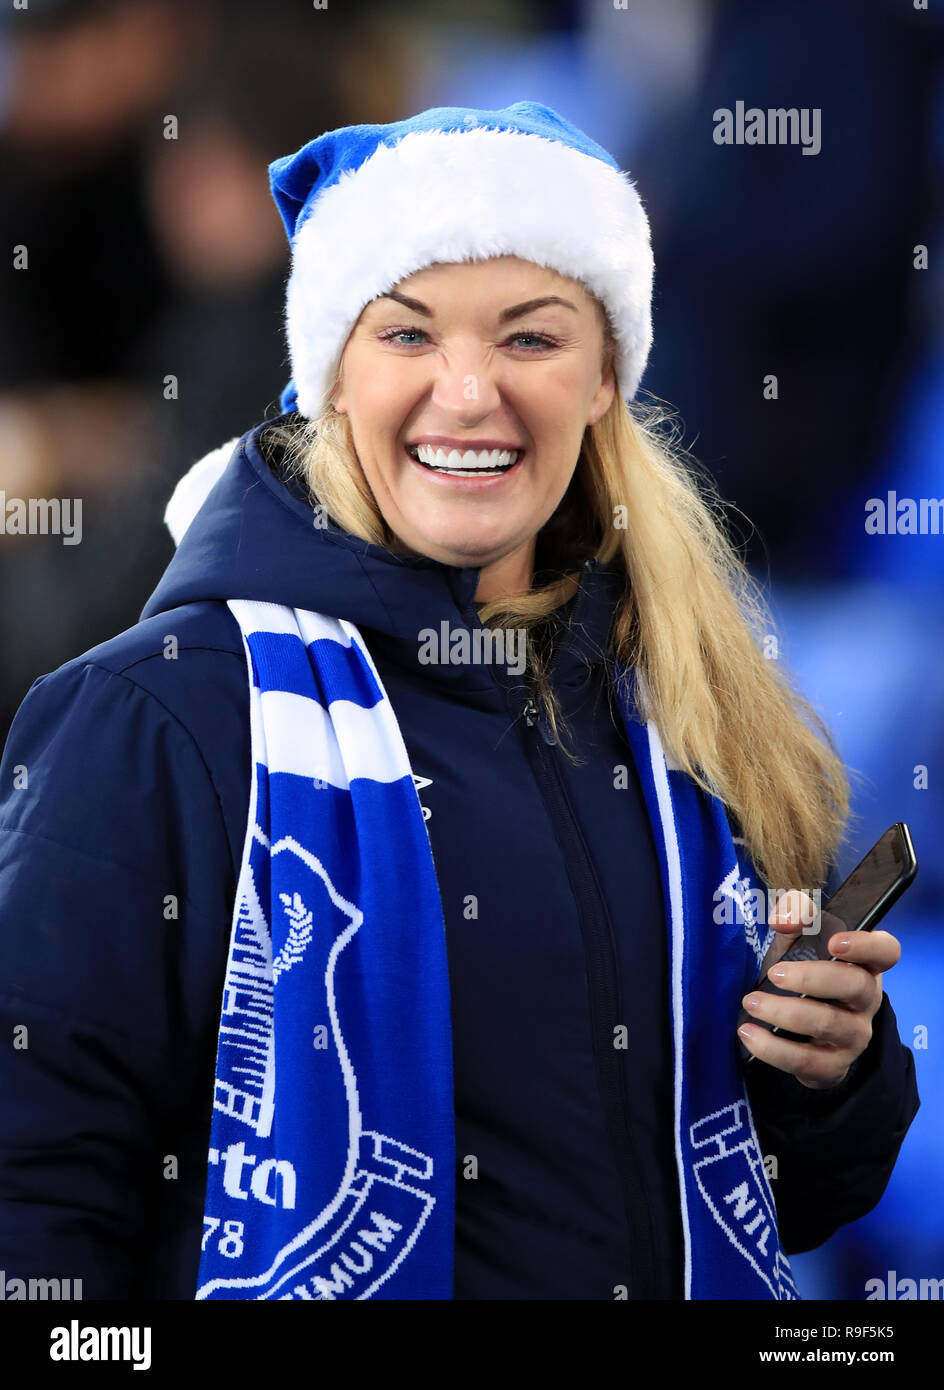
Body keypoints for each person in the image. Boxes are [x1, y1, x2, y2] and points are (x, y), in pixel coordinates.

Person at [0, 101, 919, 1302]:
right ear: (332, 375)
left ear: (602, 380)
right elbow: (33, 1199)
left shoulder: (692, 708)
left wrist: (832, 1077)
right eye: (409, 336)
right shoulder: (157, 716)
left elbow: (793, 1196)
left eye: (530, 339)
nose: (469, 392)